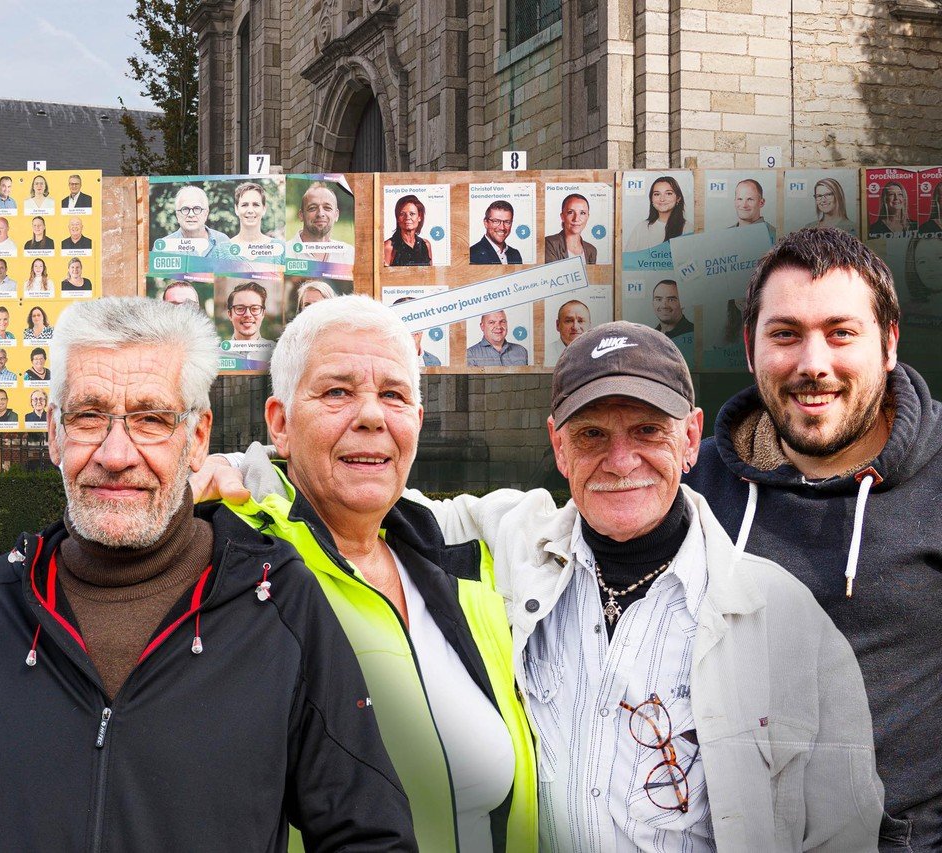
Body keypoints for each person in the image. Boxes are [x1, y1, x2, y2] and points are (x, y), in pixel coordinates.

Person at [204, 316, 884, 851]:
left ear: (690, 437)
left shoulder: (782, 617)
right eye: (591, 435)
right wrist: (228, 471)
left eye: (648, 429)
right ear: (557, 445)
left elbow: (844, 829)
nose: (621, 461)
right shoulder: (503, 543)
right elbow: (352, 493)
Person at [0, 296, 416, 852]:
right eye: (89, 416)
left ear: (197, 438)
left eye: (151, 419)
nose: (116, 454)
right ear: (54, 435)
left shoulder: (277, 604)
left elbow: (367, 835)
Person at [197, 296, 538, 851]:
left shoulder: (464, 569)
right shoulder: (235, 569)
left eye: (394, 395)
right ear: (280, 424)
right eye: (337, 392)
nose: (372, 416)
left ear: (417, 425)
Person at [683, 227, 942, 849]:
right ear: (750, 348)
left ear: (889, 345)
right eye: (785, 334)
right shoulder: (694, 485)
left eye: (841, 332)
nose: (813, 363)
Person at [289, 181, 354, 265]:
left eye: (327, 208)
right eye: (312, 208)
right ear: (301, 215)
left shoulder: (349, 254)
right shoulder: (285, 253)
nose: (320, 214)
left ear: (336, 215)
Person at [216, 181, 282, 259]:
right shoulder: (221, 251)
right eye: (244, 205)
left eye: (256, 205)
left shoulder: (280, 249)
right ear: (236, 209)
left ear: (264, 209)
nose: (250, 210)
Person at [625, 176, 690, 252]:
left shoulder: (688, 228)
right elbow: (628, 261)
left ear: (678, 198)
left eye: (668, 193)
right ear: (651, 199)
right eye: (657, 194)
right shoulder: (641, 228)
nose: (662, 199)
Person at [161, 185, 229, 254]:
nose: (191, 214)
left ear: (206, 213)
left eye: (197, 208)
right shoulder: (163, 248)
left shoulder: (223, 241)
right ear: (177, 215)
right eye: (185, 209)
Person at [543, 194, 598, 264]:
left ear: (588, 217)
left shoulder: (592, 250)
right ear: (562, 216)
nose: (576, 219)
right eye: (570, 212)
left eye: (582, 213)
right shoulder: (549, 244)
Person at [391, 296, 442, 367]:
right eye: (406, 319)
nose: (412, 327)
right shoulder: (385, 361)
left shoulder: (435, 361)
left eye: (416, 318)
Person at [383, 194, 432, 266]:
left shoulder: (426, 245)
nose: (407, 217)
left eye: (412, 214)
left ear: (419, 217)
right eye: (402, 214)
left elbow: (431, 275)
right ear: (397, 218)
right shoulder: (388, 247)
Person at [470, 200, 522, 264]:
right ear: (486, 223)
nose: (502, 227)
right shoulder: (472, 255)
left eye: (507, 222)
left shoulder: (515, 254)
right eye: (496, 221)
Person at [546, 299, 589, 364]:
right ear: (558, 325)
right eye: (569, 321)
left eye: (580, 321)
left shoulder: (600, 353)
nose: (575, 327)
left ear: (590, 325)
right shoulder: (545, 354)